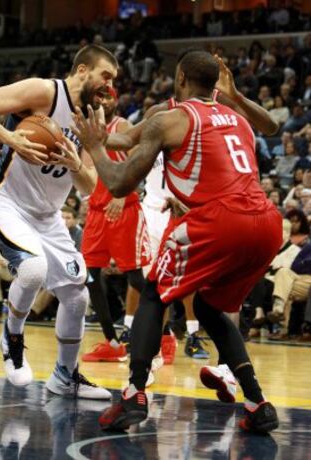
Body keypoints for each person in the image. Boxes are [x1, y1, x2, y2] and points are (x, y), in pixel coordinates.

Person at [74, 49, 282, 433]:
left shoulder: (172, 118)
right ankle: (257, 403)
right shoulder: (238, 117)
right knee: (207, 307)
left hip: (221, 220)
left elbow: (119, 181)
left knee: (154, 293)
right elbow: (270, 126)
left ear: (181, 78)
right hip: (267, 224)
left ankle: (134, 394)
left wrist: (94, 148)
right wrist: (99, 129)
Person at [0, 44, 118, 399]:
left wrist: (76, 163)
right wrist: (10, 137)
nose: (109, 85)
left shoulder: (94, 119)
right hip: (4, 201)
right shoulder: (45, 91)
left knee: (77, 295)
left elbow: (91, 186)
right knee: (33, 270)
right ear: (81, 70)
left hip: (47, 216)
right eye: (105, 75)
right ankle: (12, 337)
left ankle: (65, 375)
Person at [81, 87, 150, 363]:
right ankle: (112, 342)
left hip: (124, 206)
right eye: (99, 96)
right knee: (90, 277)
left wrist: (124, 193)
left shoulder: (122, 126)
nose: (103, 101)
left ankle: (163, 333)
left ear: (116, 100)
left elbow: (141, 161)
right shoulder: (85, 130)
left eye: (108, 96)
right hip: (97, 211)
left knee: (135, 277)